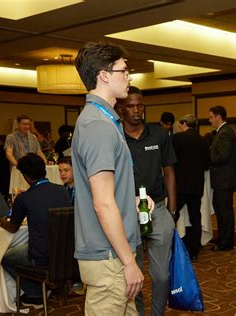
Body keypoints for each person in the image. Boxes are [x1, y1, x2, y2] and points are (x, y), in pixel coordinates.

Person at [72, 41, 145, 315]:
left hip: (113, 254)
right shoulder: (98, 126)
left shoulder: (103, 120)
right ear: (104, 75)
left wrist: (132, 200)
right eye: (124, 71)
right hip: (110, 257)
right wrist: (128, 262)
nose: (129, 77)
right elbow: (102, 203)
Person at [117, 86, 177, 316]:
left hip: (159, 209)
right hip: (126, 213)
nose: (135, 110)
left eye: (139, 105)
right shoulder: (115, 136)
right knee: (133, 272)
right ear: (121, 108)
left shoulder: (159, 134)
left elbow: (169, 171)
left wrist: (172, 209)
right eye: (130, 106)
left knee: (161, 274)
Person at [1, 153, 71, 308]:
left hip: (40, 257)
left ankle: (36, 293)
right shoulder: (62, 191)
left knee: (5, 257)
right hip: (65, 253)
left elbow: (13, 228)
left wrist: (1, 221)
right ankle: (46, 288)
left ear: (26, 176)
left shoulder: (24, 198)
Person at [173, 114, 210, 261]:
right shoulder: (203, 141)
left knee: (172, 215)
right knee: (195, 217)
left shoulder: (177, 138)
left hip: (179, 185)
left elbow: (170, 160)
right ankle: (195, 250)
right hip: (196, 185)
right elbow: (207, 163)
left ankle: (170, 246)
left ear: (183, 124)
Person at [209, 105, 236, 251]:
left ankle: (226, 242)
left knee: (225, 212)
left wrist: (207, 158)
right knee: (220, 210)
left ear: (218, 116)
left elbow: (223, 156)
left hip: (224, 179)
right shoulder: (222, 132)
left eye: (211, 117)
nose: (210, 120)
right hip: (222, 179)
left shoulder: (225, 133)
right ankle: (222, 237)